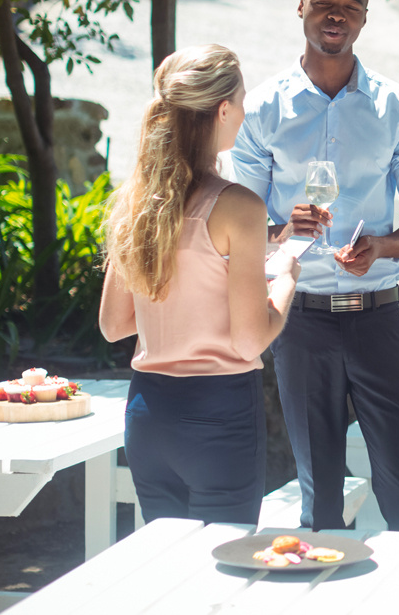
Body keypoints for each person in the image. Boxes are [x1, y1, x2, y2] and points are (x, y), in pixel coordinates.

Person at [232, 0, 399, 534]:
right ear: (301, 7)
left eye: (351, 6)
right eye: (326, 1)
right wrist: (282, 232)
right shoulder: (262, 109)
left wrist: (383, 244)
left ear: (364, 19)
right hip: (299, 324)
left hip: (378, 319)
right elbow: (237, 227)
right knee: (318, 488)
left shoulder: (398, 107)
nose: (337, 14)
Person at [100, 44, 300, 525]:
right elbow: (251, 337)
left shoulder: (136, 203)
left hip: (148, 413)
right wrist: (287, 277)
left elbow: (113, 325)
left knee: (166, 576)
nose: (246, 110)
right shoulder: (239, 206)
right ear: (223, 109)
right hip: (219, 414)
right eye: (243, 98)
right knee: (224, 577)